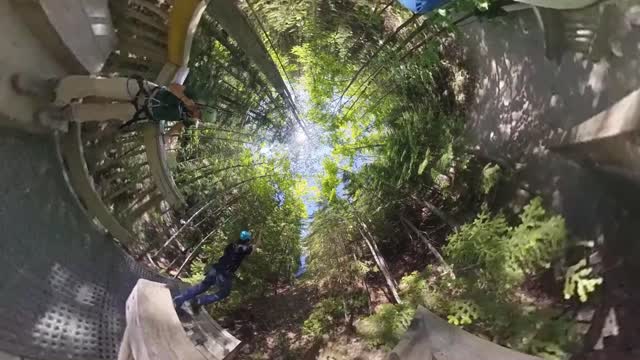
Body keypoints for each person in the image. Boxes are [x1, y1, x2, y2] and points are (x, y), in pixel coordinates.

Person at [11, 74, 202, 132]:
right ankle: (50, 88)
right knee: (99, 85)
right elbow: (173, 86)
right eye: (199, 112)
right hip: (146, 91)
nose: (196, 114)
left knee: (103, 112)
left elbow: (175, 130)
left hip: (142, 113)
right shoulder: (194, 96)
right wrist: (187, 100)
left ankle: (63, 114)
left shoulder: (188, 119)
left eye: (199, 116)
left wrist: (182, 125)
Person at [173, 230, 253, 315]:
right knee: (224, 292)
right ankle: (200, 300)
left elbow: (227, 254)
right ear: (248, 240)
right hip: (224, 273)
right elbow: (251, 250)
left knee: (203, 286)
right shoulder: (246, 248)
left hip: (215, 269)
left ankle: (180, 299)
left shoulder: (231, 245)